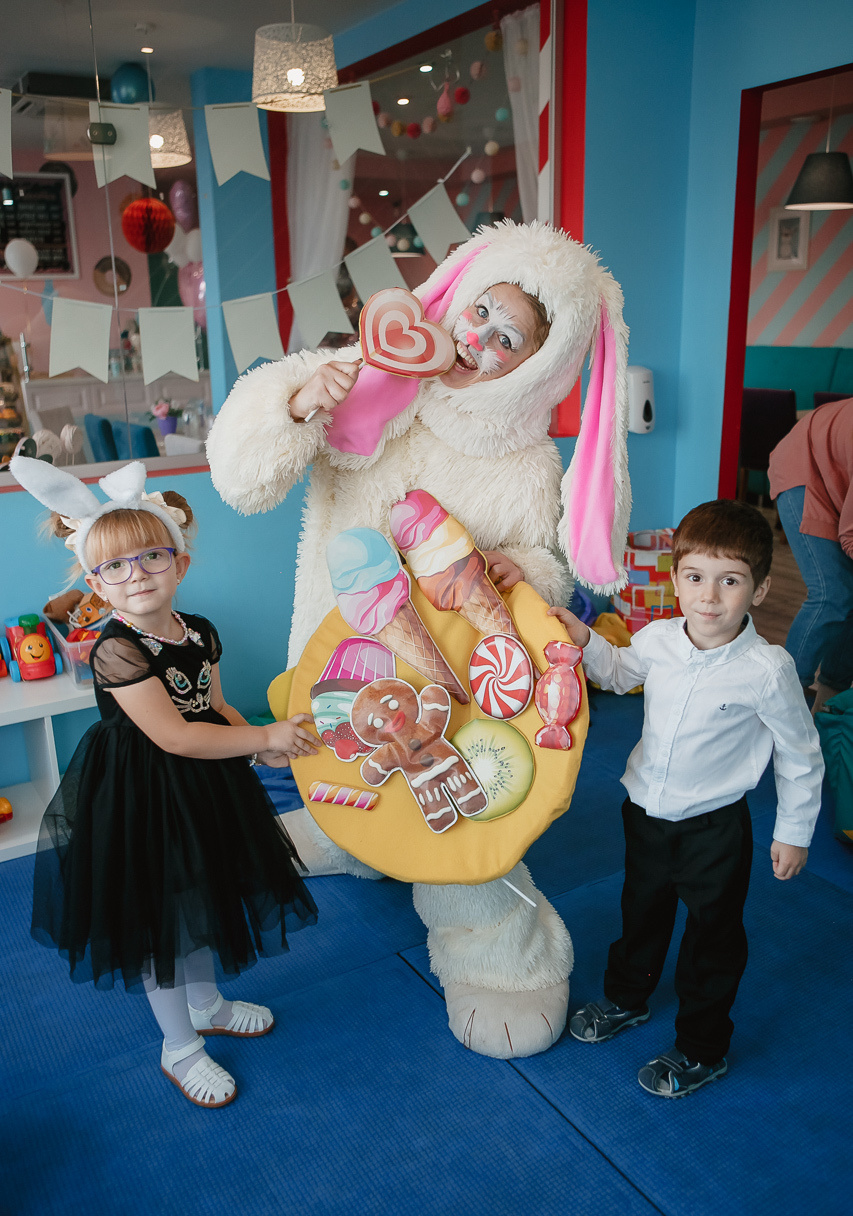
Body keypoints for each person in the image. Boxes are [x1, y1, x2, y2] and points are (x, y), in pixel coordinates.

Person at [205, 221, 633, 1062]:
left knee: (455, 818)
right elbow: (243, 480)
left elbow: (544, 569)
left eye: (506, 338)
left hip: (454, 681)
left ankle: (499, 951)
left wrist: (520, 570)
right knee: (333, 756)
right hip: (330, 652)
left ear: (539, 367)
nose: (475, 340)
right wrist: (295, 404)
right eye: (478, 312)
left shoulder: (524, 462)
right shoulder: (361, 384)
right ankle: (344, 836)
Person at [10, 456, 321, 1110]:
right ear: (96, 584)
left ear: (179, 563)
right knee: (161, 918)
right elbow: (175, 735)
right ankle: (177, 1047)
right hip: (144, 793)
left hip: (205, 785)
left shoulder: (198, 629)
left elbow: (212, 704)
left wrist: (255, 744)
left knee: (204, 898)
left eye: (151, 557)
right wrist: (263, 737)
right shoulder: (117, 650)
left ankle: (207, 1004)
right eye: (115, 567)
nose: (136, 576)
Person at [549, 499, 824, 1097]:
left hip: (715, 830)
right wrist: (586, 640)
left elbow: (801, 754)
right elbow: (620, 672)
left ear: (759, 589)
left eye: (730, 581)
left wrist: (794, 832)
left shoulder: (768, 669)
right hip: (645, 813)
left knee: (712, 938)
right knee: (639, 911)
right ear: (675, 580)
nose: (709, 596)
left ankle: (703, 1048)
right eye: (695, 577)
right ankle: (628, 998)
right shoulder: (658, 639)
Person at [768, 397, 853, 715]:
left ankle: (830, 706)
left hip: (837, 465)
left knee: (849, 595)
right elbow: (851, 533)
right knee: (832, 593)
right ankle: (781, 700)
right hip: (802, 465)